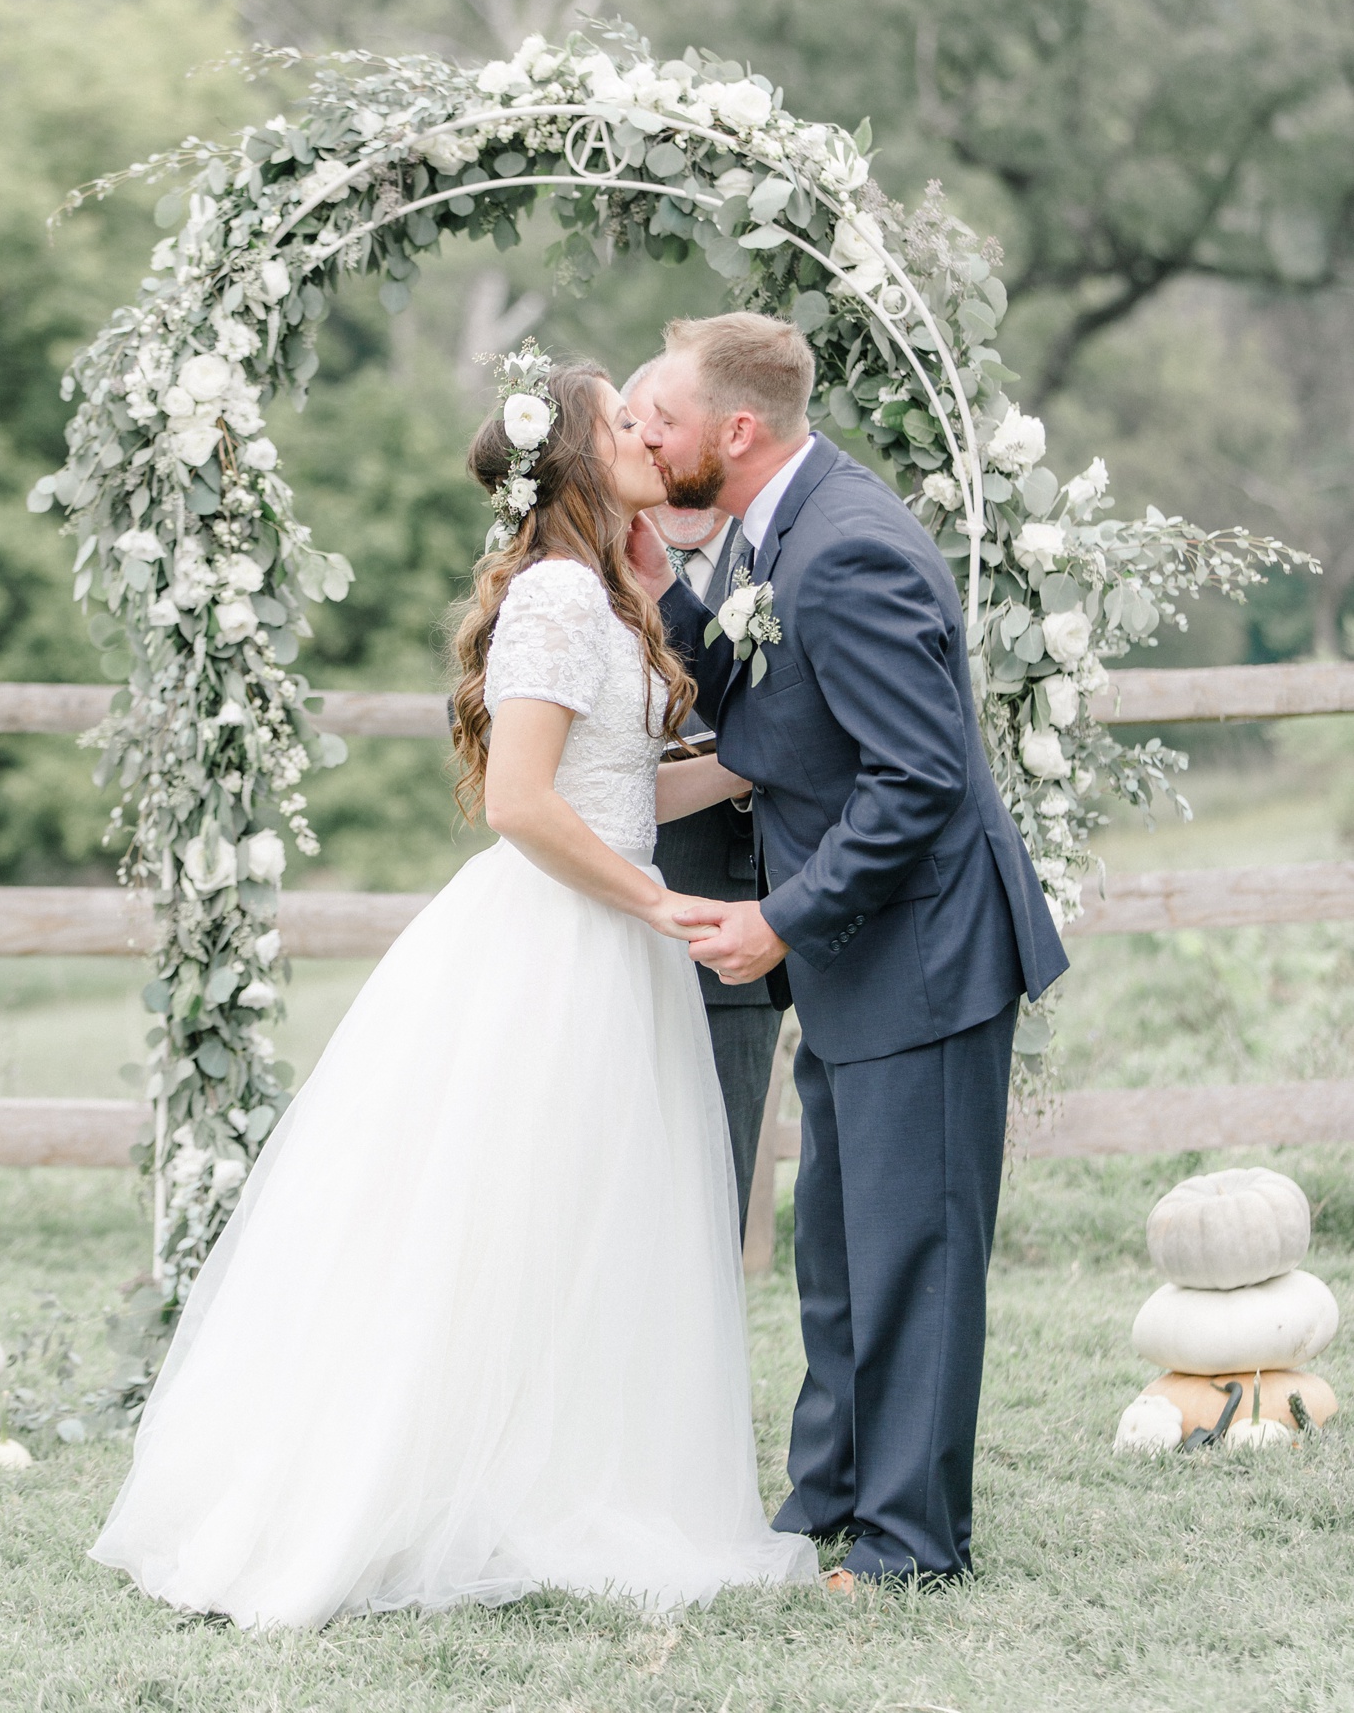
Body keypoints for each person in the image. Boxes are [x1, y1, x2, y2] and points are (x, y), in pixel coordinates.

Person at [91, 355, 818, 1628]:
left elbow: (617, 788)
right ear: (583, 459)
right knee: (497, 1220)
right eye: (625, 421)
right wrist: (654, 903)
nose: (651, 434)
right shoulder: (550, 597)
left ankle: (555, 1471)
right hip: (554, 947)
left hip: (613, 942)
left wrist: (766, 764)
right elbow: (523, 804)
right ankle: (417, 1488)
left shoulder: (603, 594)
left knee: (586, 1225)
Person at [628, 312, 1070, 1586]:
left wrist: (779, 918)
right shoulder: (775, 531)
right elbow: (772, 706)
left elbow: (916, 783)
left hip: (925, 957)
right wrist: (660, 579)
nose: (650, 442)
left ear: (738, 430)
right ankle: (825, 1495)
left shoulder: (851, 549)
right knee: (837, 1244)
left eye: (664, 422)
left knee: (914, 1254)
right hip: (861, 956)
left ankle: (910, 1542)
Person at [623, 360, 780, 1240]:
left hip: (735, 931)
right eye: (641, 428)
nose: (659, 449)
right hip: (602, 921)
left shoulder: (786, 550)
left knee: (704, 1221)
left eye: (670, 428)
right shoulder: (574, 570)